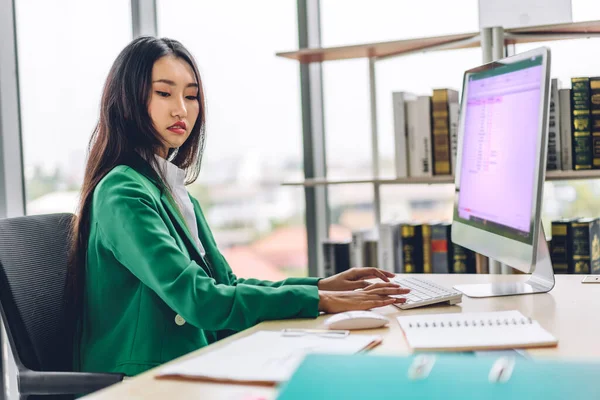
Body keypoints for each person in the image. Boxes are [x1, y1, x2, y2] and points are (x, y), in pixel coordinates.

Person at [68, 36, 410, 377]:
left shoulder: (171, 189)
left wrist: (322, 287)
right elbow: (200, 300)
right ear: (128, 99)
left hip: (193, 361)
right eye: (164, 93)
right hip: (142, 381)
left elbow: (225, 284)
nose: (181, 109)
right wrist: (318, 301)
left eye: (191, 96)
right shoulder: (122, 190)